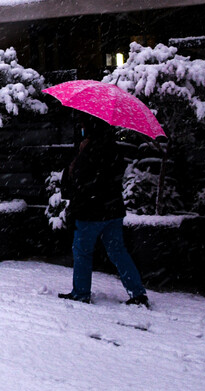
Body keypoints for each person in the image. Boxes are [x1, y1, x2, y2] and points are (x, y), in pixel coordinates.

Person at [59, 115, 149, 307]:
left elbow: (79, 182)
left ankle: (81, 292)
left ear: (90, 127)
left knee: (82, 252)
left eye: (83, 125)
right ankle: (138, 292)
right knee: (118, 251)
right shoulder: (114, 148)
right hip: (113, 210)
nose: (81, 128)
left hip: (90, 212)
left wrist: (75, 162)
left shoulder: (89, 150)